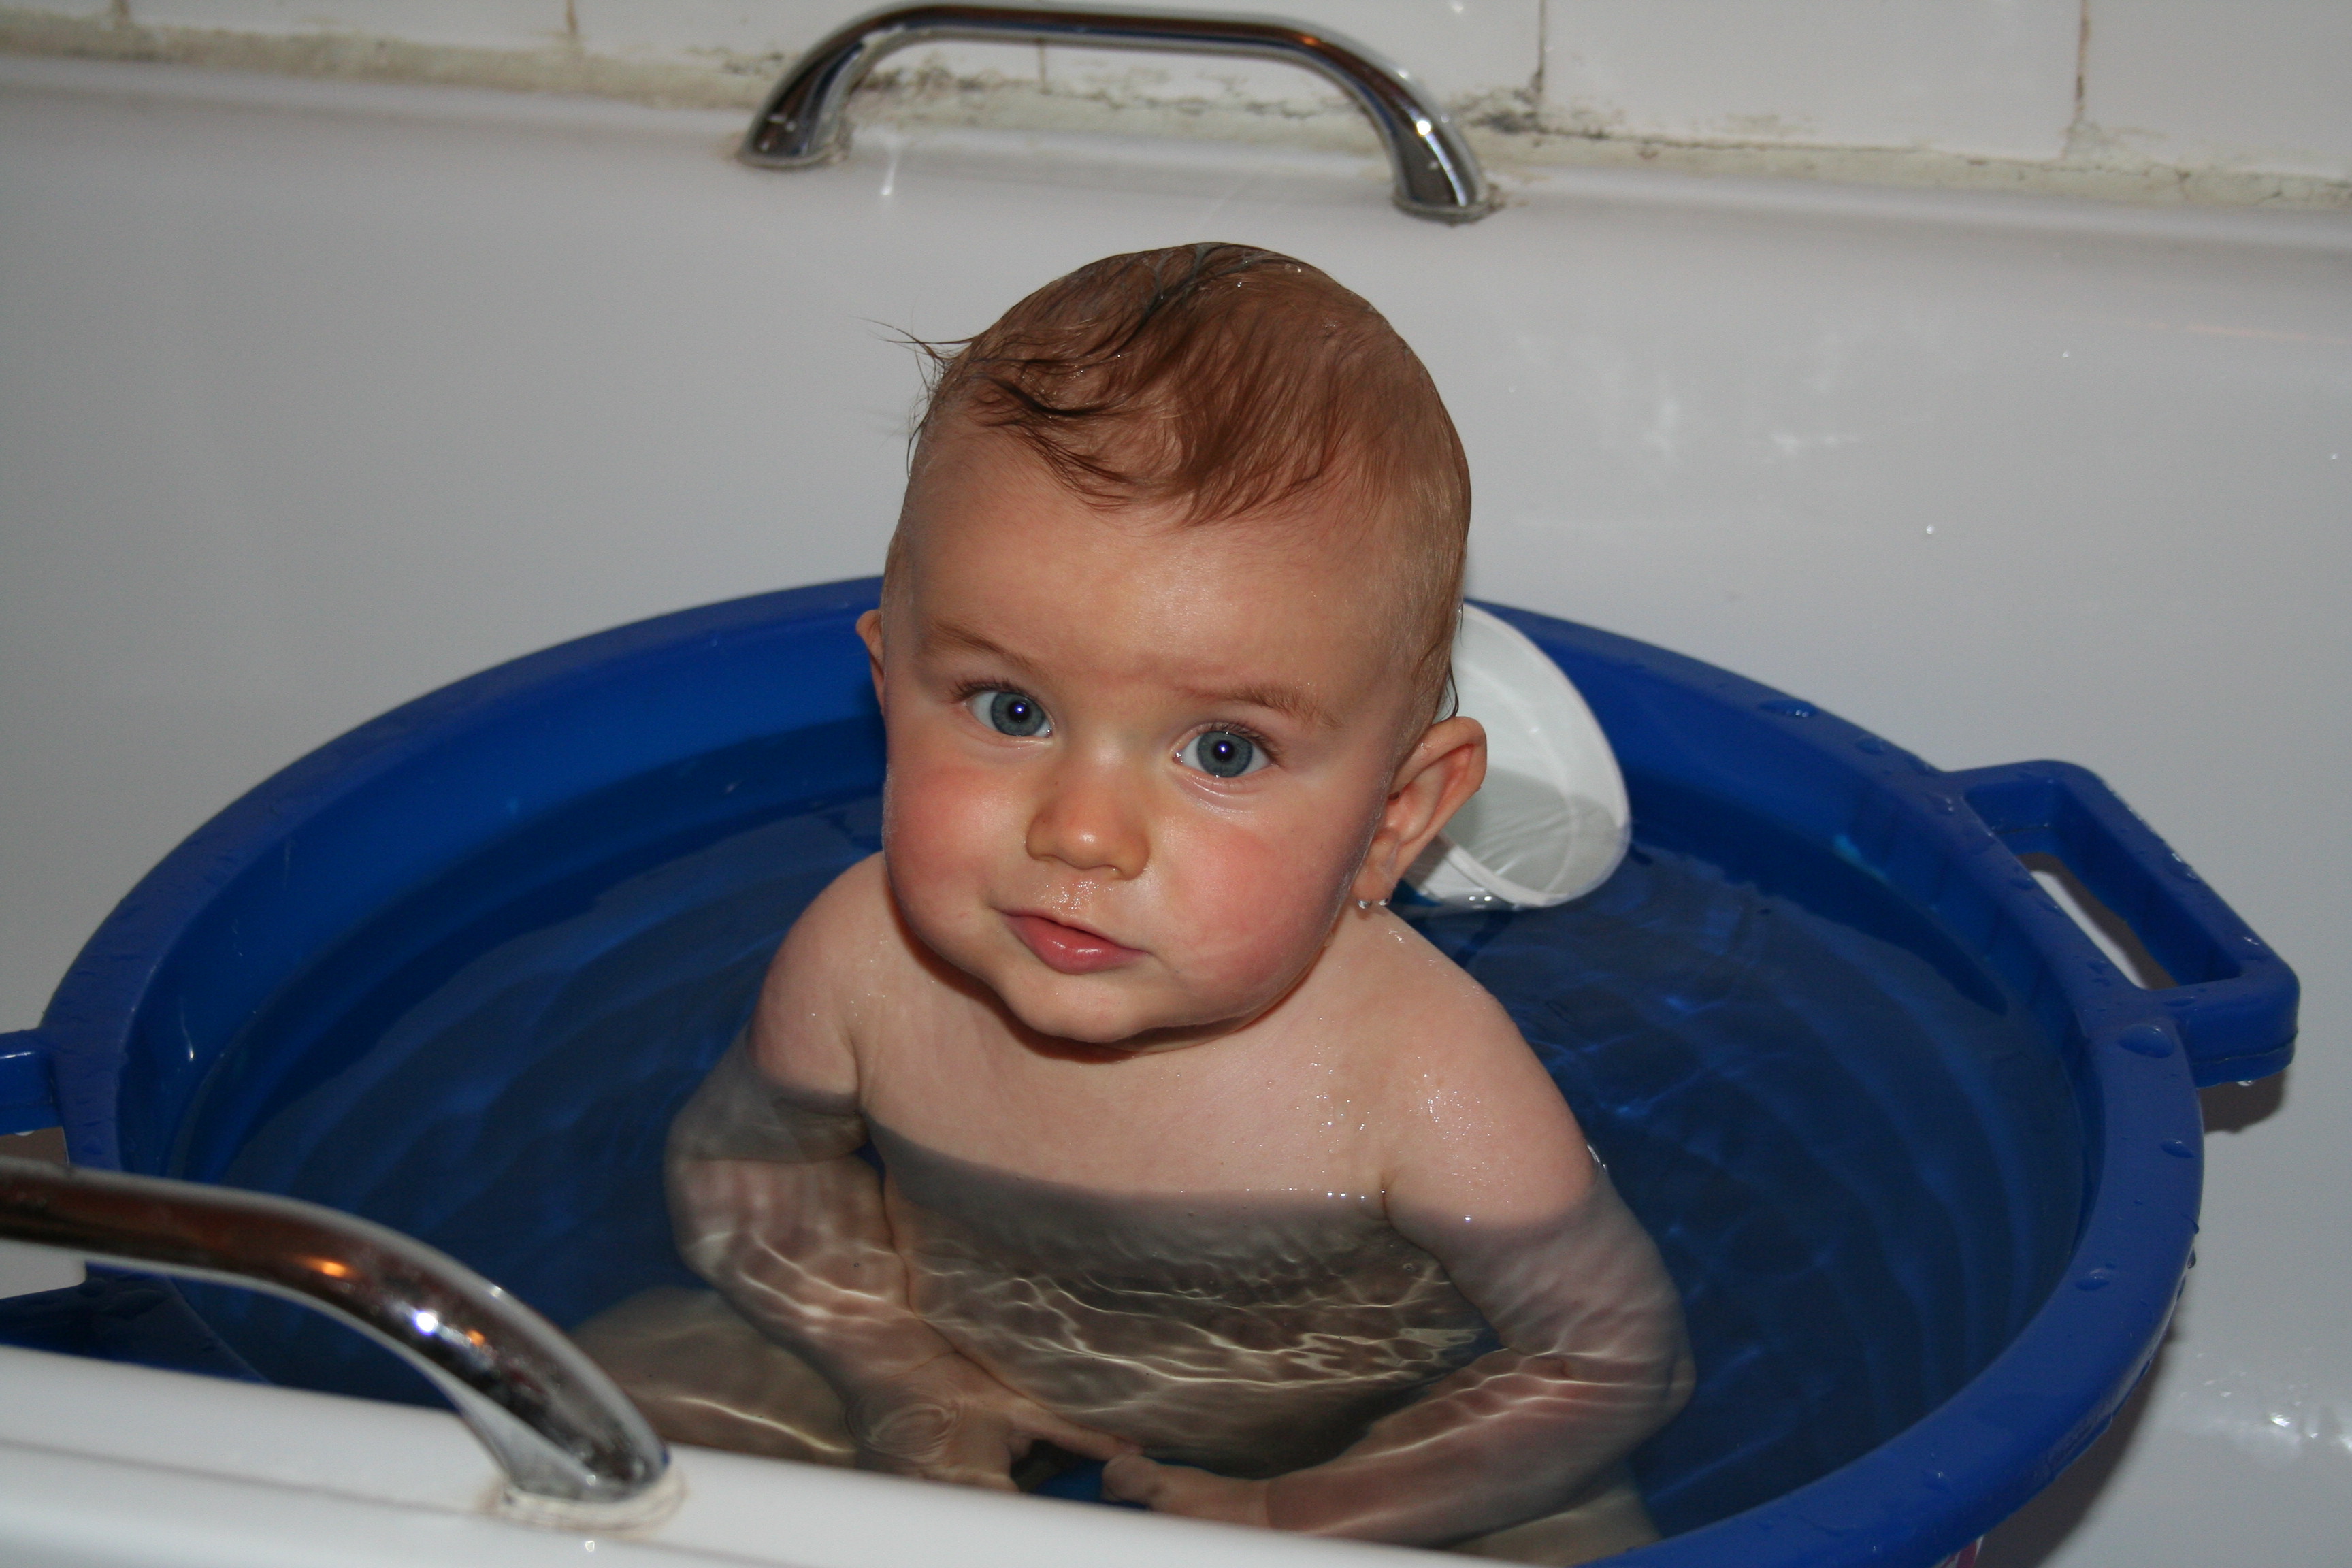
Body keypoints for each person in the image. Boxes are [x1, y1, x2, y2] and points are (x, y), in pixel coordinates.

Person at [577, 242, 1692, 1564]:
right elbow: (750, 1172)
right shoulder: (863, 961)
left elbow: (1604, 1362)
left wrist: (1298, 1517)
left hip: (1345, 1441)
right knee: (617, 1396)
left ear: (1395, 817)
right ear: (890, 691)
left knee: (1570, 1537)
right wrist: (898, 1369)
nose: (1083, 832)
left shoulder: (1418, 1074)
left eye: (1224, 750)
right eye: (1011, 710)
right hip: (959, 1358)